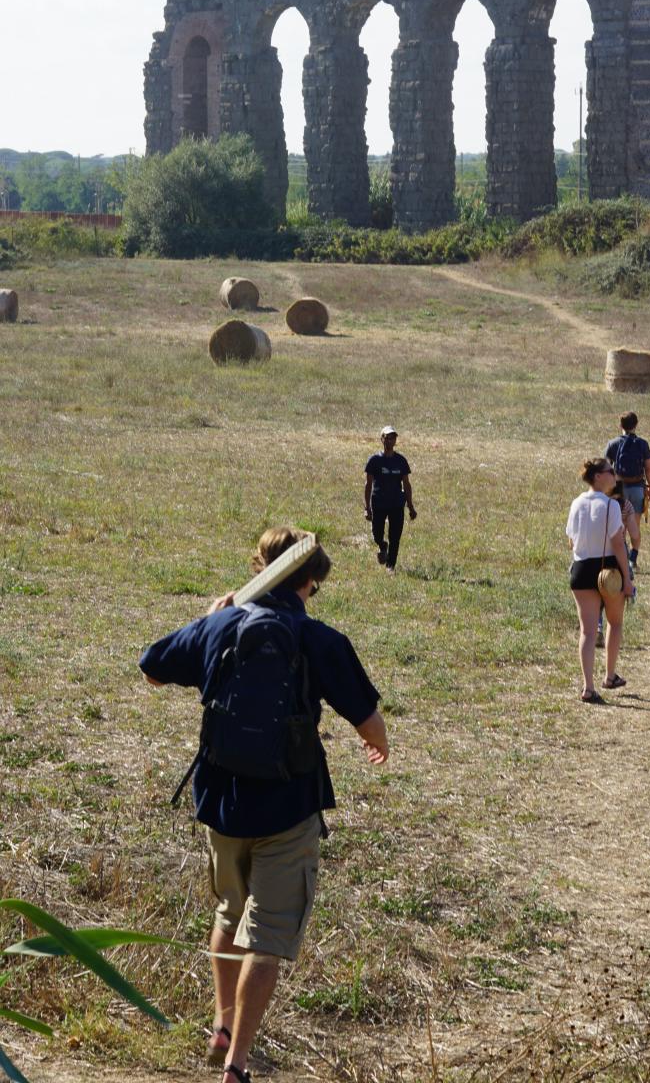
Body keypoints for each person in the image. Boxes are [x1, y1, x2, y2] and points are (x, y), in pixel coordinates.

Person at [139, 527, 389, 1083]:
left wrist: (207, 618)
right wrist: (379, 742)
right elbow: (370, 724)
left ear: (260, 567)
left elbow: (152, 665)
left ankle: (222, 1024)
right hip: (288, 807)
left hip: (222, 804)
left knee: (229, 915)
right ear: (310, 581)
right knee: (269, 938)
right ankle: (237, 1064)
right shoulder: (319, 639)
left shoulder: (224, 623)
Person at [566, 459, 635, 702]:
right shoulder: (611, 506)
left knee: (586, 630)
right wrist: (627, 579)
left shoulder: (576, 503)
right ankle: (609, 675)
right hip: (608, 570)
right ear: (597, 477)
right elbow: (618, 544)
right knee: (614, 623)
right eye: (610, 471)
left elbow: (571, 541)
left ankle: (588, 686)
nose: (614, 475)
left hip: (581, 568)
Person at [364, 426, 416, 574]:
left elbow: (406, 484)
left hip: (396, 504)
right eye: (387, 437)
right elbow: (368, 484)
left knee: (395, 537)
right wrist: (367, 507)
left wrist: (410, 506)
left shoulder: (401, 461)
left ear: (395, 440)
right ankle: (382, 545)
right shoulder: (374, 461)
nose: (390, 440)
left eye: (393, 437)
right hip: (378, 503)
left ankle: (390, 566)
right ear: (382, 439)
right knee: (376, 534)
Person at [604, 411, 650, 550]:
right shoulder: (643, 444)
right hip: (638, 488)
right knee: (635, 526)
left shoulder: (612, 444)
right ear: (636, 425)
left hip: (619, 489)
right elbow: (648, 469)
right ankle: (633, 558)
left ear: (620, 425)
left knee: (620, 526)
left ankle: (622, 555)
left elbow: (605, 469)